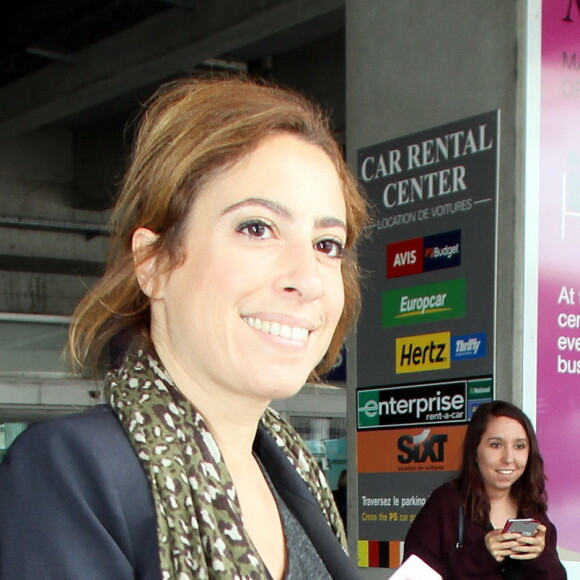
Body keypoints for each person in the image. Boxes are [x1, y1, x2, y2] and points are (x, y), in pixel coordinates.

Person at [0, 77, 368, 579]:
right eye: (256, 228)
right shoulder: (72, 473)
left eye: (327, 244)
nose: (306, 278)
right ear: (153, 263)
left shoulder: (294, 477)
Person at [403, 400, 567, 579]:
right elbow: (413, 574)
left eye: (519, 446)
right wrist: (481, 555)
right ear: (475, 451)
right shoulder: (447, 502)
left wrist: (541, 556)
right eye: (496, 445)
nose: (509, 458)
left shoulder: (532, 509)